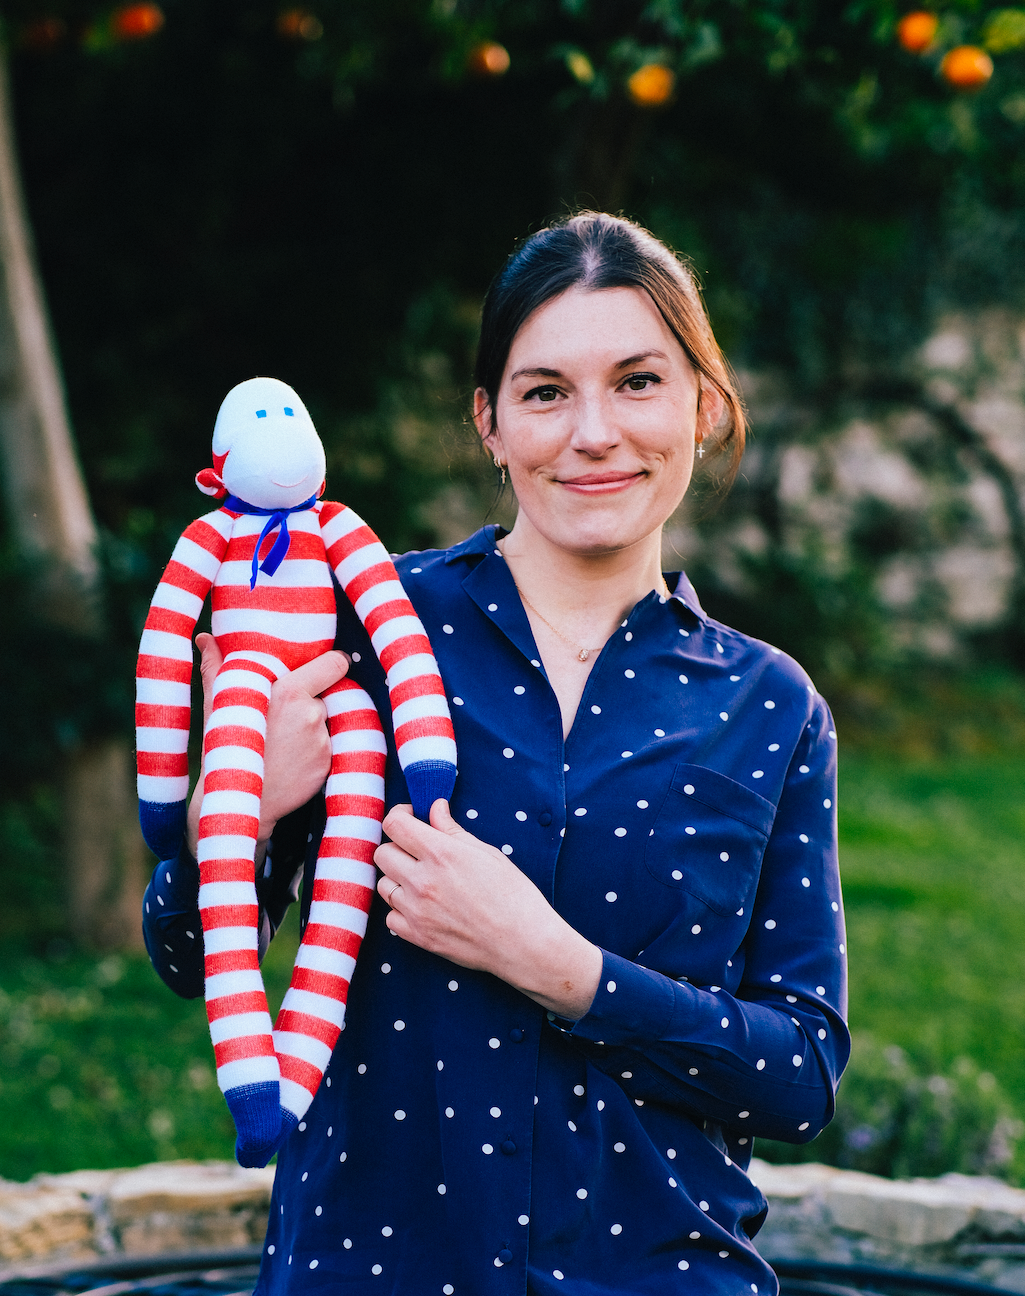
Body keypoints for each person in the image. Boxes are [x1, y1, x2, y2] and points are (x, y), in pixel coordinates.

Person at [143, 212, 849, 1296]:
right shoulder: (366, 630)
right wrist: (235, 813)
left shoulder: (768, 707)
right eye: (544, 392)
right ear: (489, 422)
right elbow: (188, 955)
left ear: (703, 408)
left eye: (637, 381)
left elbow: (800, 1077)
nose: (593, 433)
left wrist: (560, 968)